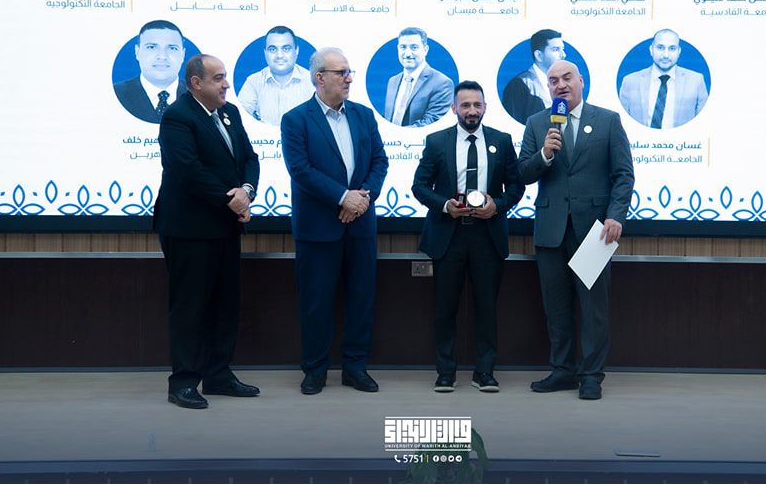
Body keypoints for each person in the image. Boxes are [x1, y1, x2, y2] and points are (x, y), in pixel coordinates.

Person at [517, 60, 634, 400]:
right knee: (556, 307)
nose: (560, 85)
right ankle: (563, 371)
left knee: (594, 308)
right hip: (551, 228)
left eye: (567, 78)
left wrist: (616, 215)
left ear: (581, 81)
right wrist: (544, 154)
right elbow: (523, 172)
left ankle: (592, 376)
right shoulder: (537, 123)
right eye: (553, 80)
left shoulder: (608, 120)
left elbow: (623, 174)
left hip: (595, 231)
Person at [154, 54, 261, 409]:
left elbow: (249, 158)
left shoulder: (230, 114)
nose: (226, 84)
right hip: (189, 228)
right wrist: (231, 200)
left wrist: (246, 191)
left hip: (225, 226)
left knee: (225, 305)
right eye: (218, 78)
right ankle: (183, 382)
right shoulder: (177, 116)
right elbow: (188, 170)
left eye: (225, 77)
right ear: (195, 83)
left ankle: (218, 375)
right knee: (190, 307)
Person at [280, 48, 389, 395]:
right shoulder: (296, 119)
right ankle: (315, 370)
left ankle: (355, 367)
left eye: (349, 71)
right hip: (317, 229)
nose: (349, 78)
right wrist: (344, 198)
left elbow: (380, 162)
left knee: (361, 300)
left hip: (360, 225)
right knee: (316, 302)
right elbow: (301, 170)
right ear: (319, 78)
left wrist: (362, 198)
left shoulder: (364, 115)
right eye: (341, 72)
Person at [412, 81, 524, 394]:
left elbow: (517, 187)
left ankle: (484, 373)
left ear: (485, 107)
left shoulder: (502, 141)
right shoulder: (437, 141)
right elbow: (419, 186)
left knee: (487, 308)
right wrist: (444, 205)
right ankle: (445, 373)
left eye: (477, 105)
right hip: (449, 237)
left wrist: (497, 206)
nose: (471, 111)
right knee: (445, 308)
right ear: (454, 108)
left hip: (487, 236)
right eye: (465, 105)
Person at [618, 29, 709, 129]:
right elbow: (622, 123)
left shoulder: (696, 80)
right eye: (660, 48)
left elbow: (703, 123)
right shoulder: (630, 81)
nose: (666, 55)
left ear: (679, 52)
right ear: (651, 50)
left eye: (672, 48)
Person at [236, 26, 315, 125]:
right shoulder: (253, 82)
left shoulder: (312, 82)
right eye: (273, 49)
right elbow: (240, 117)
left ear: (296, 50)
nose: (279, 55)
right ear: (265, 52)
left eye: (286, 49)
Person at [114, 20, 187, 124]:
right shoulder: (117, 93)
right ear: (137, 52)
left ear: (183, 54)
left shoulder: (199, 96)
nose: (162, 56)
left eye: (172, 48)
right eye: (152, 47)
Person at [383, 27, 454, 127]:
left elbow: (431, 122)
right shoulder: (392, 81)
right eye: (403, 47)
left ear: (425, 50)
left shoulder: (442, 83)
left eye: (414, 47)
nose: (407, 54)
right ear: (398, 49)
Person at [501, 29, 566, 124]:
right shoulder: (519, 84)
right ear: (539, 55)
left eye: (562, 49)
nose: (563, 55)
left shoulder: (565, 84)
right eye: (556, 49)